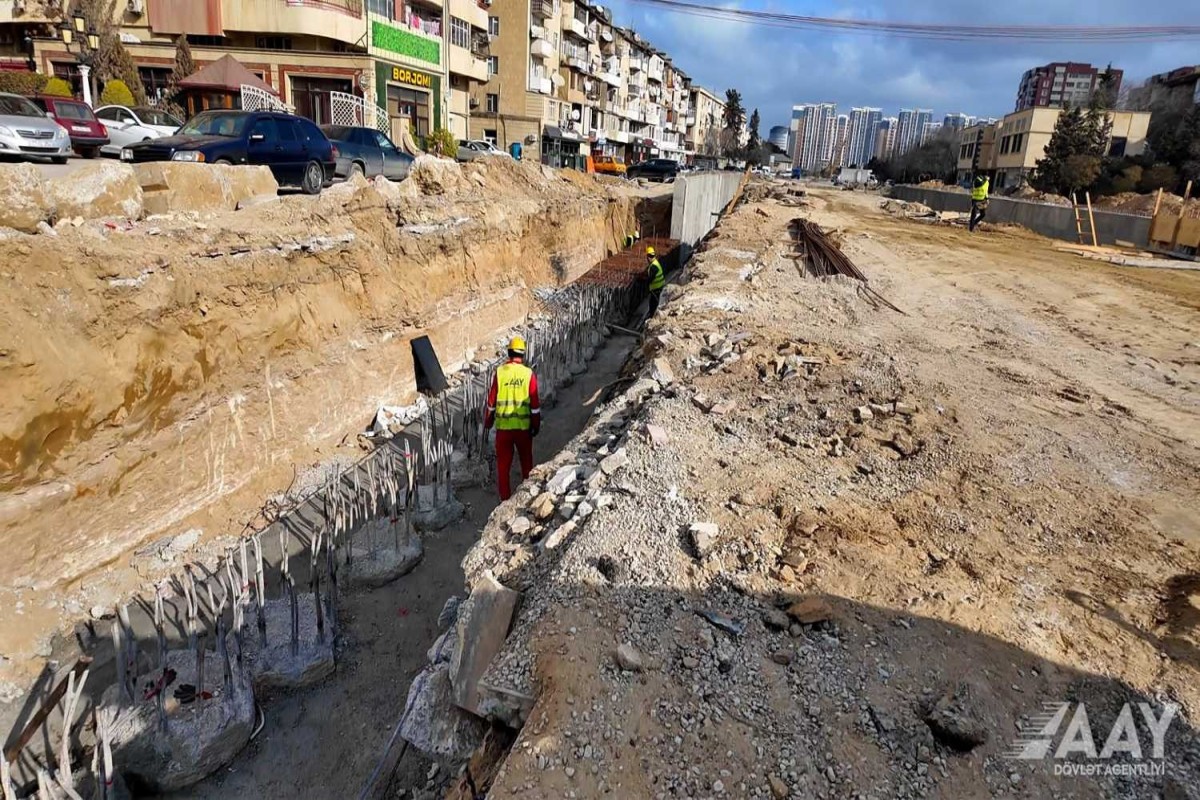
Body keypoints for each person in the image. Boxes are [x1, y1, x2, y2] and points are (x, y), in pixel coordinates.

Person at [484, 336, 541, 500]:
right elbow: (535, 405)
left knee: (503, 467)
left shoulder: (500, 373)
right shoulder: (528, 374)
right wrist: (535, 426)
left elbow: (491, 402)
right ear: (523, 354)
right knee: (526, 463)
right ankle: (528, 495)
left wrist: (488, 422)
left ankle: (504, 500)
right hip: (523, 429)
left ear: (509, 353)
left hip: (504, 430)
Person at [645, 246, 665, 317]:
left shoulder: (653, 266)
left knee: (653, 305)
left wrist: (644, 281)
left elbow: (650, 279)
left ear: (648, 256)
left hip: (656, 289)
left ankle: (652, 317)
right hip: (659, 287)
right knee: (655, 303)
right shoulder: (656, 262)